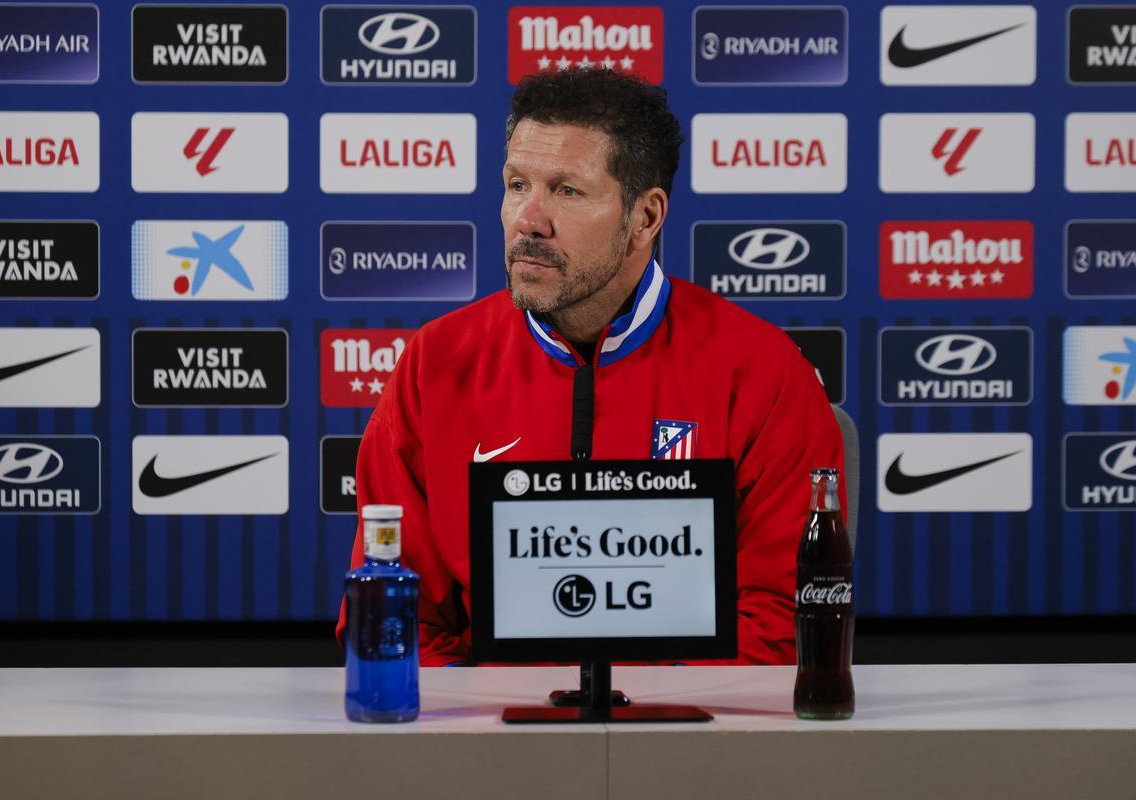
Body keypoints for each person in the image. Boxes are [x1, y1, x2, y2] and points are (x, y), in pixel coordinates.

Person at [337, 69, 846, 665]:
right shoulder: (435, 365)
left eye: (567, 191)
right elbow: (392, 615)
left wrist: (643, 710)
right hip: (494, 717)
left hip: (684, 719)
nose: (529, 219)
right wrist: (495, 710)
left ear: (646, 218)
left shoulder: (762, 372)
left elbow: (780, 622)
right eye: (517, 184)